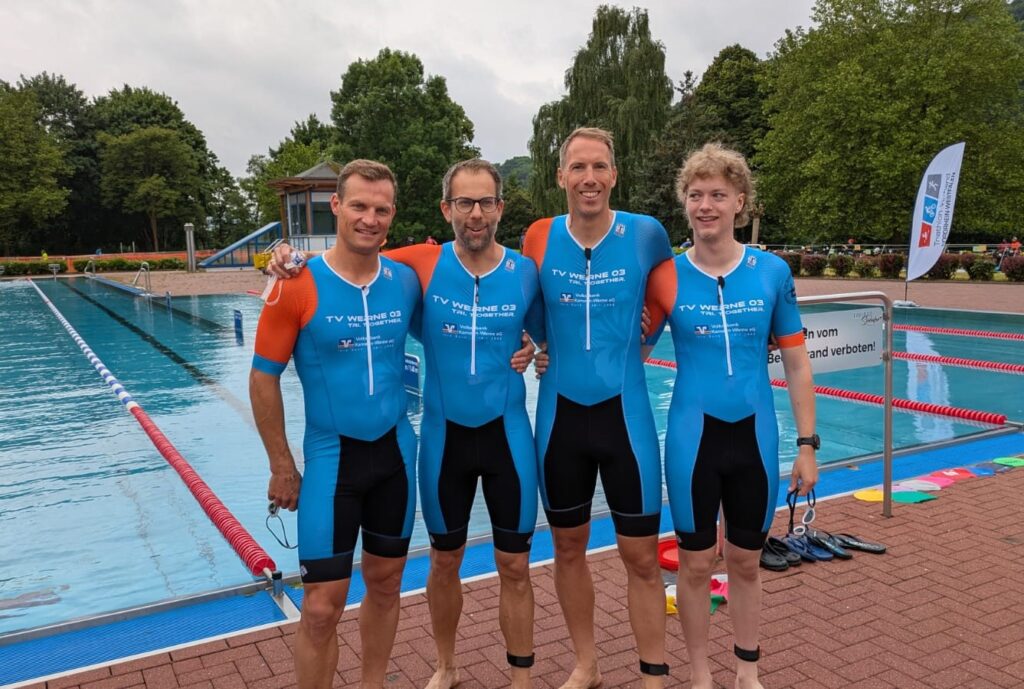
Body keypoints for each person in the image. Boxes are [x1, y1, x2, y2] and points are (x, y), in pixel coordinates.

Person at [266, 160, 542, 689]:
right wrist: (283, 255)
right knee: (443, 561)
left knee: (515, 566)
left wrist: (538, 349)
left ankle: (523, 681)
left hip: (508, 434)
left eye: (486, 201)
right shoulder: (419, 265)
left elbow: (553, 331)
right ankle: (445, 665)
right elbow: (351, 262)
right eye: (464, 202)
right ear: (447, 208)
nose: (476, 212)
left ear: (501, 207)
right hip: (441, 440)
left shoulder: (525, 272)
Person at [644, 143, 818, 689]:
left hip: (756, 438)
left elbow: (795, 361)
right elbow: (624, 352)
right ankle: (700, 675)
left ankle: (748, 670)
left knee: (745, 561)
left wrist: (808, 445)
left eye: (718, 194)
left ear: (739, 201)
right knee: (696, 565)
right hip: (693, 438)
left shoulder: (770, 272)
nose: (706, 205)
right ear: (685, 204)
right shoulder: (666, 276)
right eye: (696, 195)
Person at [250, 159, 421, 689]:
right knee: (323, 606)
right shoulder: (296, 283)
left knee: (387, 582)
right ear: (337, 206)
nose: (370, 218)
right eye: (360, 206)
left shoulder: (407, 277)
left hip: (396, 453)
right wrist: (282, 464)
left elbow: (473, 271)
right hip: (331, 457)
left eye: (381, 209)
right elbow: (263, 379)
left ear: (392, 214)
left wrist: (530, 344)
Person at [522, 127, 673, 689]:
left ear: (614, 174)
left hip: (625, 414)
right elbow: (523, 300)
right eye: (578, 167)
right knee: (566, 548)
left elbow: (670, 294)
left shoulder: (645, 233)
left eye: (600, 167)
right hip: (561, 415)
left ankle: (653, 672)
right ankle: (586, 664)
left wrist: (645, 339)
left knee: (640, 555)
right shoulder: (538, 236)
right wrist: (537, 345)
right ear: (560, 175)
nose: (589, 178)